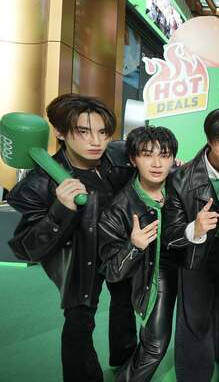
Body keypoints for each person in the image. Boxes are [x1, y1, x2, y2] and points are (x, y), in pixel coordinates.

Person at [7, 94, 137, 381]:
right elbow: (25, 249)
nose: (96, 141)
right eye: (84, 132)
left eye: (103, 132)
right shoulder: (39, 184)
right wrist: (60, 211)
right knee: (79, 322)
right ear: (60, 132)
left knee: (124, 304)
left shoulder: (118, 158)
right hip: (81, 258)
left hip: (119, 248)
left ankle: (125, 359)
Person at [162, 107, 219, 381]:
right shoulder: (181, 178)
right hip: (196, 257)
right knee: (195, 322)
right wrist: (194, 229)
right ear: (210, 140)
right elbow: (170, 234)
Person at [98, 126, 178, 381]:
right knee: (155, 345)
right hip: (155, 271)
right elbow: (111, 272)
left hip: (189, 267)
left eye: (164, 155)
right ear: (133, 159)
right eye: (147, 155)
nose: (157, 163)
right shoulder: (119, 208)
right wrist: (134, 246)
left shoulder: (181, 184)